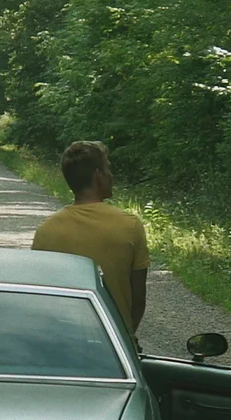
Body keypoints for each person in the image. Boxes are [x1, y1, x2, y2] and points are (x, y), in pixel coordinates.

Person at [32, 141, 149, 334]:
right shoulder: (129, 225)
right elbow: (138, 299)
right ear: (98, 176)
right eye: (108, 169)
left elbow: (41, 295)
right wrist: (126, 337)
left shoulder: (46, 230)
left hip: (61, 336)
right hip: (111, 336)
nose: (111, 175)